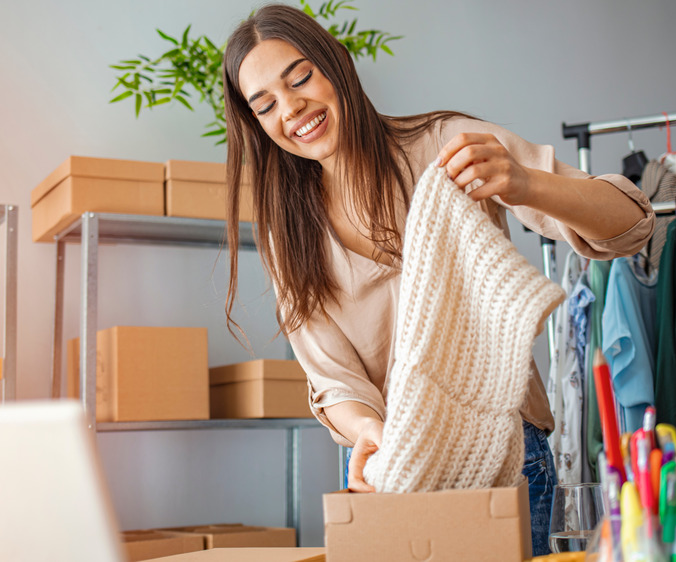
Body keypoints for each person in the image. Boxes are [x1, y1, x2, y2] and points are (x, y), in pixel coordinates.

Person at [221, 4, 653, 555]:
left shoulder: (445, 146)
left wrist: (524, 184)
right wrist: (367, 433)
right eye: (265, 106)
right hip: (391, 469)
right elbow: (331, 376)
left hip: (504, 450)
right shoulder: (289, 229)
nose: (292, 108)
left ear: (337, 65)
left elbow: (632, 225)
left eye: (300, 77)